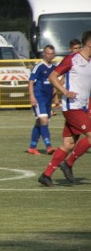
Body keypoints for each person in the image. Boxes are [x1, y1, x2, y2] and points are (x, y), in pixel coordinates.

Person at [38, 31, 91, 187]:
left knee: (68, 144)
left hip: (82, 106)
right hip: (72, 107)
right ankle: (68, 163)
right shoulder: (72, 59)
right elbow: (53, 76)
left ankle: (46, 175)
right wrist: (65, 91)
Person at [28, 44, 57, 155]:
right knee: (44, 121)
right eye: (48, 54)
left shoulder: (54, 68)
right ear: (44, 54)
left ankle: (32, 147)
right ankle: (49, 146)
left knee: (40, 123)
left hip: (48, 98)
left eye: (52, 54)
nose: (50, 56)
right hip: (39, 97)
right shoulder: (38, 66)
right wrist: (32, 96)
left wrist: (56, 99)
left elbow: (54, 84)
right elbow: (30, 82)